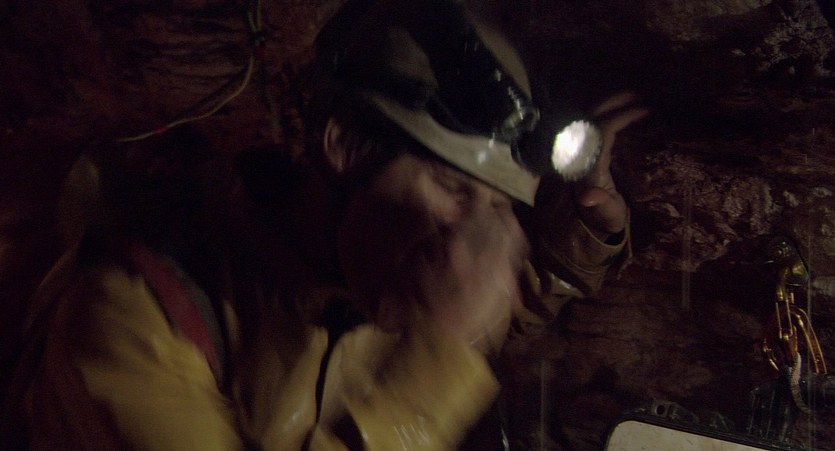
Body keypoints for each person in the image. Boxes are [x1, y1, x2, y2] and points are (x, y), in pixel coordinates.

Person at [1, 0, 646, 449]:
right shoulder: (131, 316)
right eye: (454, 189)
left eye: (500, 207)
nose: (472, 240)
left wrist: (583, 231)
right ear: (345, 147)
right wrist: (433, 376)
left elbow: (501, 300)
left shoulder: (369, 276)